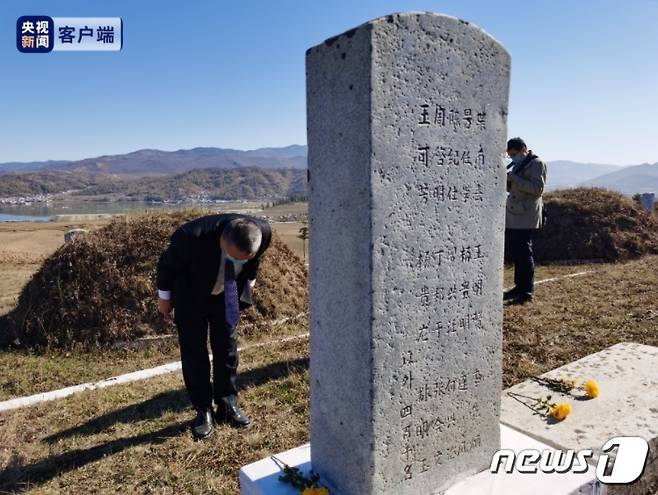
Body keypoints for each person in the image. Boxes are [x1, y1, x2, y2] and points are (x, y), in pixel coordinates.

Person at [156, 213, 271, 438]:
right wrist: (164, 300)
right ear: (221, 241)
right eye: (232, 257)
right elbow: (166, 266)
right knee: (194, 352)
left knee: (227, 347)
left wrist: (248, 285)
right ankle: (203, 410)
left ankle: (227, 404)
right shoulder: (189, 237)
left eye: (242, 260)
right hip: (190, 295)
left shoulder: (262, 232)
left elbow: (254, 262)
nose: (237, 263)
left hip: (226, 293)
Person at [504, 137, 547, 305]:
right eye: (510, 155)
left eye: (514, 154)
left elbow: (537, 189)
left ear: (524, 149)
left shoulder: (537, 164)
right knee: (517, 252)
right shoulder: (520, 164)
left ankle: (526, 291)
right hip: (515, 213)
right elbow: (515, 187)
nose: (513, 158)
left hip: (527, 215)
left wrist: (514, 178)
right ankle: (518, 286)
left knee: (524, 253)